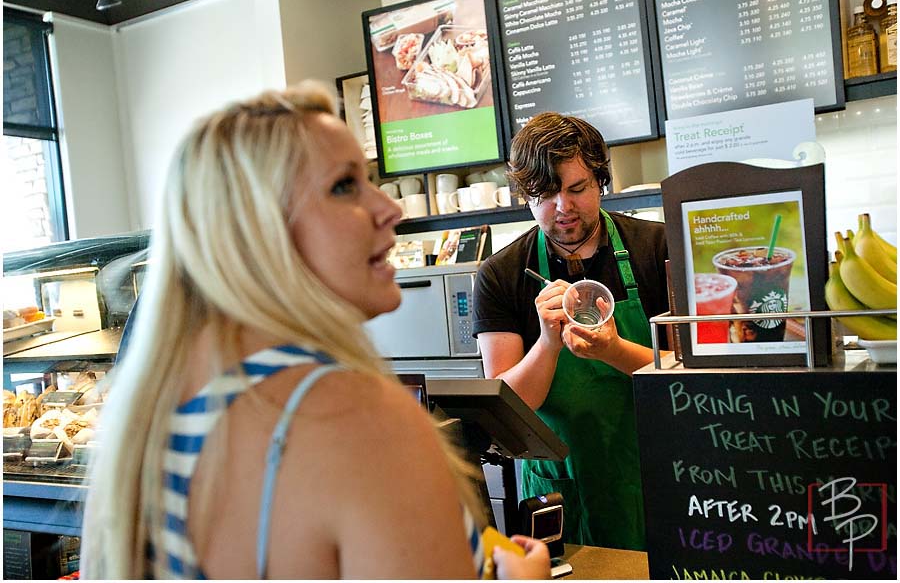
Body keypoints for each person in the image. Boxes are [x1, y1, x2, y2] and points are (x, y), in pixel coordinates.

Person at [80, 82, 549, 579]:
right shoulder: (360, 417)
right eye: (344, 186)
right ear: (258, 229)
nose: (389, 209)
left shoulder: (155, 420)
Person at [472, 112, 669, 550]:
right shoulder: (501, 275)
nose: (563, 207)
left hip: (653, 476)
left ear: (601, 181)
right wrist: (547, 343)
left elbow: (687, 378)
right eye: (544, 194)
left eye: (577, 188)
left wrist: (614, 349)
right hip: (560, 489)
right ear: (525, 197)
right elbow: (507, 413)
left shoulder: (656, 248)